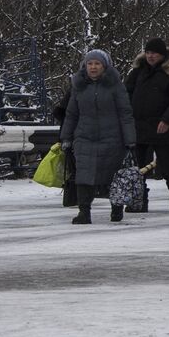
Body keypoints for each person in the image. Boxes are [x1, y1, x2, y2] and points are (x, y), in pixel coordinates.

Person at [60, 48, 136, 225]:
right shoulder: (78, 86)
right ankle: (84, 212)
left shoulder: (115, 86)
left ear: (105, 66)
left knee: (113, 176)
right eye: (90, 64)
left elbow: (125, 113)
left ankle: (116, 208)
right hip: (84, 138)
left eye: (97, 64)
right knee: (83, 176)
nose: (93, 67)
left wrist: (130, 140)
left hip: (112, 138)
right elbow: (71, 114)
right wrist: (66, 137)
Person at [125, 37, 169, 210]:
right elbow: (127, 92)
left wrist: (167, 119)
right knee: (139, 166)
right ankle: (139, 199)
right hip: (139, 125)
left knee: (167, 164)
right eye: (148, 52)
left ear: (162, 55)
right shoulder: (138, 72)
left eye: (155, 53)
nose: (151, 56)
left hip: (161, 126)